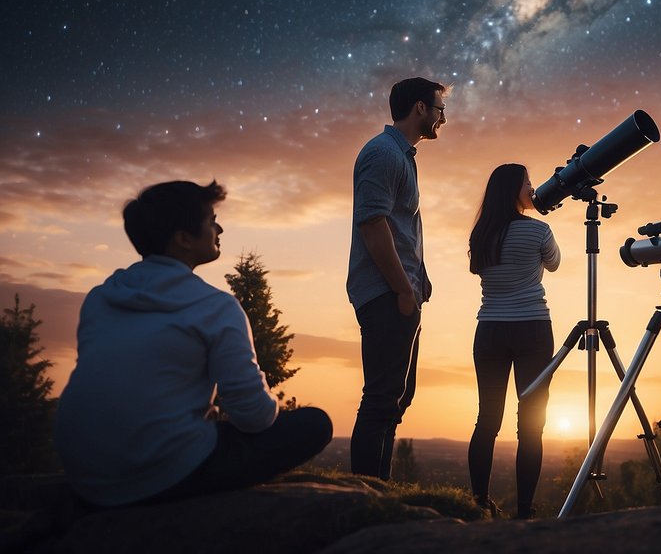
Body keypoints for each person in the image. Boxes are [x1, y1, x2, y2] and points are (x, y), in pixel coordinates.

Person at [54, 180, 332, 507]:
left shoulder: (100, 298)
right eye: (211, 220)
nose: (220, 228)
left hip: (86, 474)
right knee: (315, 424)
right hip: (159, 473)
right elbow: (254, 416)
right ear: (183, 238)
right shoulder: (215, 307)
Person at [347, 76, 447, 478]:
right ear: (420, 108)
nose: (444, 118)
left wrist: (419, 279)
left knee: (397, 399)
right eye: (440, 108)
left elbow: (399, 226)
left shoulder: (402, 156)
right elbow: (373, 225)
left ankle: (378, 488)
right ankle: (366, 494)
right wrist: (404, 289)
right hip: (387, 293)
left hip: (402, 291)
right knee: (382, 398)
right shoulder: (384, 154)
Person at [466, 163, 561, 518]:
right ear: (514, 191)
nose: (533, 189)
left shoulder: (481, 235)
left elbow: (480, 269)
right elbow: (554, 264)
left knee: (487, 419)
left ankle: (478, 502)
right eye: (528, 183)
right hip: (532, 330)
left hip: (489, 330)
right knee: (531, 424)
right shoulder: (539, 231)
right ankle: (524, 511)